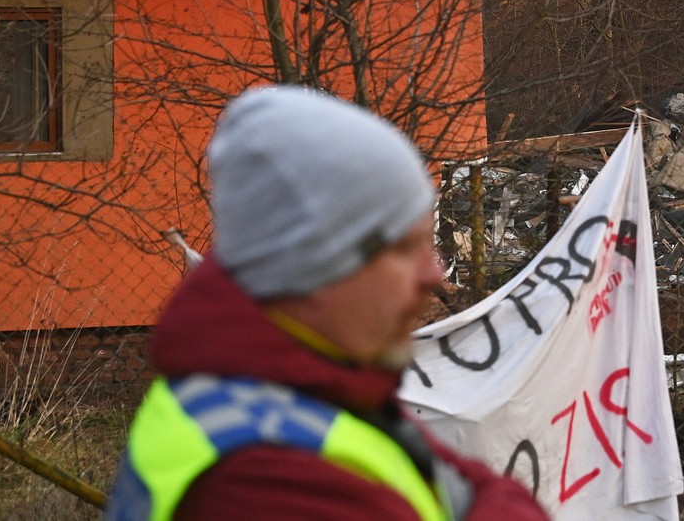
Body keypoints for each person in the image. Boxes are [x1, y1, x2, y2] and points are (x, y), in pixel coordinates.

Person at [105, 85, 548, 521]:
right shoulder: (271, 480)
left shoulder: (308, 386)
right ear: (316, 267)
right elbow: (476, 490)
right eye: (404, 249)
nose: (434, 274)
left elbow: (460, 482)